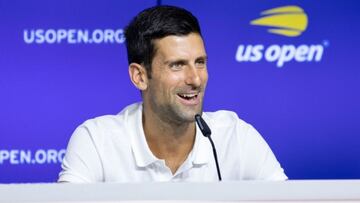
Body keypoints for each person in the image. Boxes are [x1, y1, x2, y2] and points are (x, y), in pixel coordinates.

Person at [58, 5, 287, 182]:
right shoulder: (97, 141)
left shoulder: (236, 137)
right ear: (140, 76)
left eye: (200, 62)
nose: (195, 79)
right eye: (177, 65)